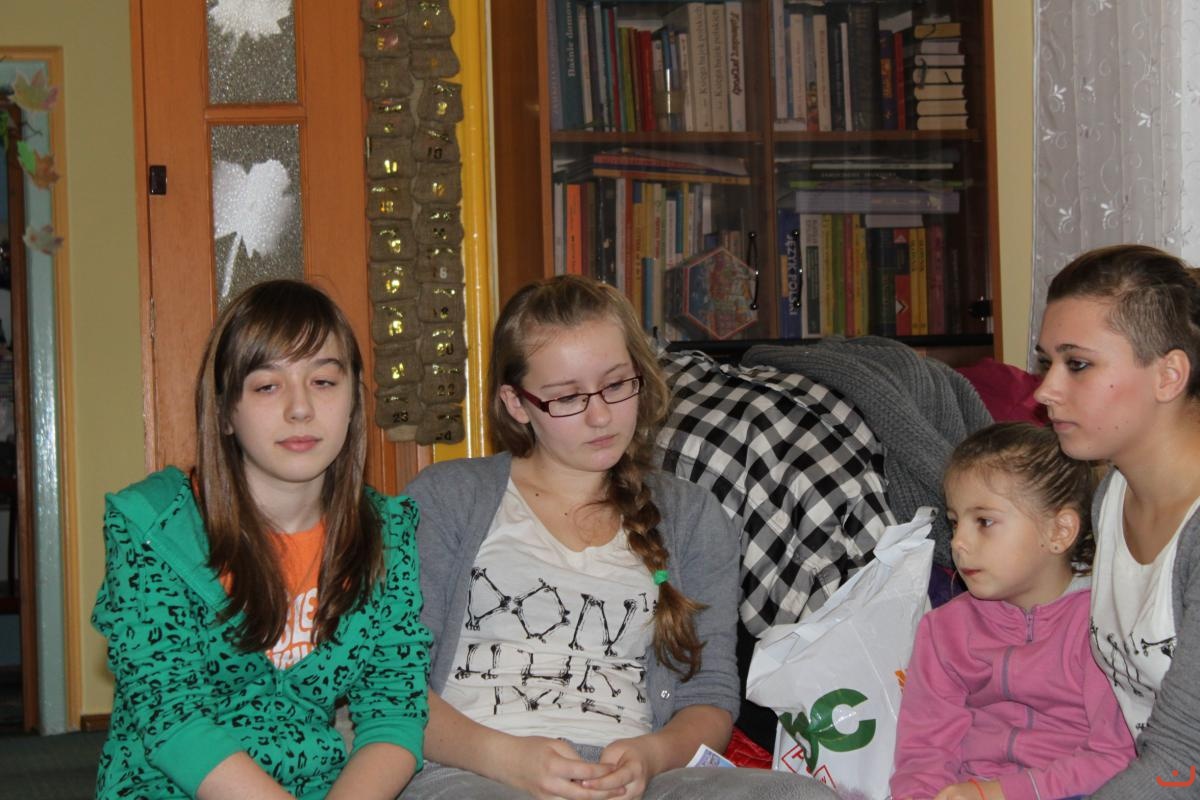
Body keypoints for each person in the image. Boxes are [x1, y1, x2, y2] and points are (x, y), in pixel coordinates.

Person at [402, 275, 836, 800]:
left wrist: (651, 757)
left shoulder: (692, 517)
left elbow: (710, 697)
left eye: (615, 385)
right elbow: (392, 685)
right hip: (475, 772)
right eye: (567, 397)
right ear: (517, 403)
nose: (601, 415)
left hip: (638, 781)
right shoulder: (446, 498)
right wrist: (506, 759)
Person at [92, 280, 430, 799]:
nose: (300, 409)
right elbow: (172, 719)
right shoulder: (154, 527)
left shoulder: (387, 533)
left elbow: (394, 712)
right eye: (267, 386)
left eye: (324, 381)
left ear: (353, 402)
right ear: (226, 411)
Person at [891, 422, 1135, 800]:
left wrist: (1003, 792)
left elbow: (1115, 756)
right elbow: (923, 752)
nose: (958, 542)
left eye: (984, 522)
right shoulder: (944, 629)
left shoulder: (1102, 624)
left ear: (1059, 531)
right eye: (955, 522)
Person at [1034, 244, 1200, 799]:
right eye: (1046, 362)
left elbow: (1184, 764)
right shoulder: (1114, 493)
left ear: (1168, 375)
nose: (1044, 390)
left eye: (1077, 364)